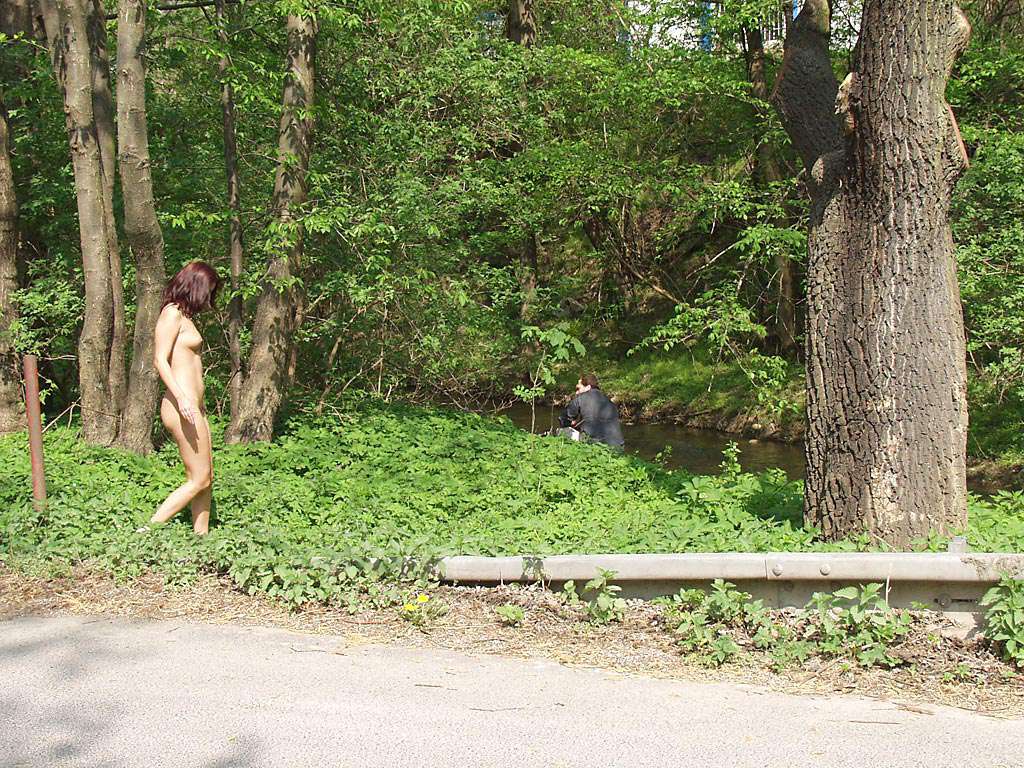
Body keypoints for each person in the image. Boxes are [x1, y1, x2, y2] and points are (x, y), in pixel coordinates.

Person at [147, 261, 221, 535]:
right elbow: (160, 360)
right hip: (181, 406)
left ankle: (201, 538)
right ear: (196, 286)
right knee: (199, 479)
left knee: (206, 478)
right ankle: (148, 531)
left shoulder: (186, 318)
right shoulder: (171, 314)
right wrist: (183, 399)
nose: (209, 297)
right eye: (209, 290)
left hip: (194, 407)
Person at [559, 373, 624, 450]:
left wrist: (571, 423)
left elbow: (563, 418)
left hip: (595, 446)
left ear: (588, 387)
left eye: (578, 388)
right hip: (618, 445)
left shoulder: (581, 399)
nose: (576, 392)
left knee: (563, 431)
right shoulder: (608, 401)